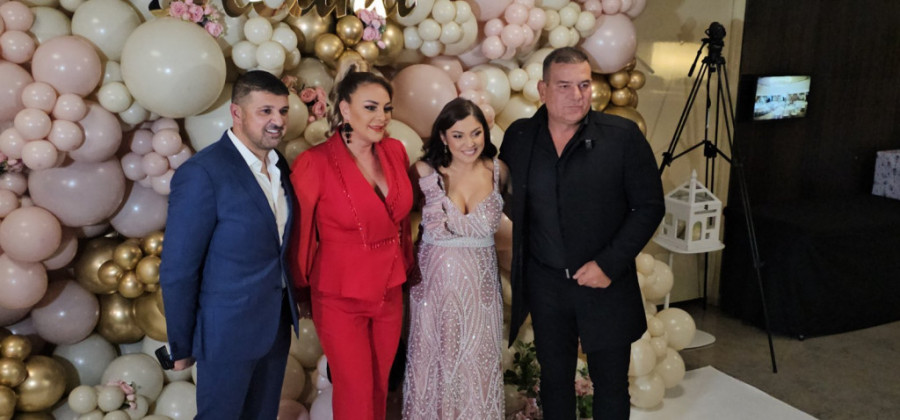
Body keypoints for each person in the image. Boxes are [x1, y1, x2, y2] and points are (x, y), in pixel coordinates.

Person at [499, 47, 665, 419]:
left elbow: (650, 206)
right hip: (546, 285)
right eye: (564, 86)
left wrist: (608, 264)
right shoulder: (519, 137)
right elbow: (504, 196)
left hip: (605, 283)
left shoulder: (622, 136)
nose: (577, 95)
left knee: (611, 386)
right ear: (542, 90)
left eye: (584, 85)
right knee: (554, 383)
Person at [159, 70, 300, 419]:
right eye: (265, 111)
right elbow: (178, 268)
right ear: (236, 113)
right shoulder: (202, 173)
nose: (278, 121)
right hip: (225, 333)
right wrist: (182, 344)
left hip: (275, 327)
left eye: (283, 111)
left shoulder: (280, 166)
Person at [290, 68, 413, 420]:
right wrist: (300, 291)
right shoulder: (314, 163)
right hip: (339, 297)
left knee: (379, 388)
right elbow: (301, 236)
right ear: (345, 109)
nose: (381, 117)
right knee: (355, 392)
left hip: (389, 291)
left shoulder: (395, 151)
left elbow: (402, 223)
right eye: (370, 107)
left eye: (386, 109)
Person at [402, 98, 508, 419]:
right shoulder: (423, 172)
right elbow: (397, 222)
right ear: (443, 136)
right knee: (433, 363)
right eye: (458, 135)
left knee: (477, 365)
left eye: (476, 133)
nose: (469, 143)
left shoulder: (499, 171)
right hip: (432, 292)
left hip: (481, 294)